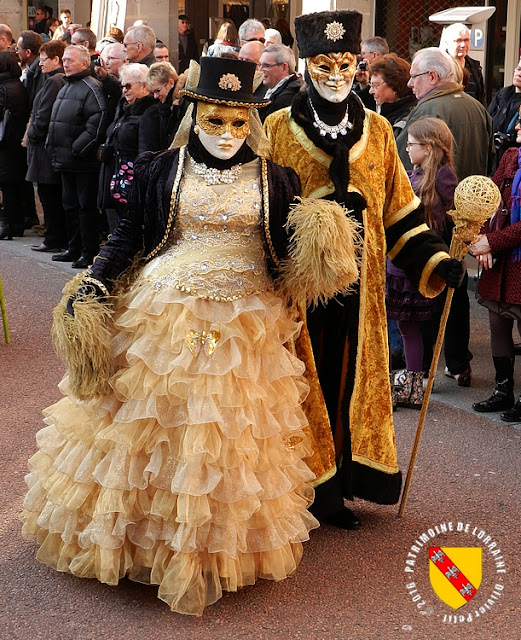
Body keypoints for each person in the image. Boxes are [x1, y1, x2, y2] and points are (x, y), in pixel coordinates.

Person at [20, 55, 361, 616]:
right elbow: (129, 232)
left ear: (251, 122)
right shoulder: (161, 167)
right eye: (214, 121)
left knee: (229, 428)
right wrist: (95, 280)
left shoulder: (278, 178)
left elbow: (290, 251)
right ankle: (150, 543)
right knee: (164, 422)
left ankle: (209, 548)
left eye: (236, 123)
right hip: (169, 313)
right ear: (194, 115)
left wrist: (326, 236)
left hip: (248, 321)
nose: (226, 134)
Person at [264, 10, 462, 529]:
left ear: (358, 65)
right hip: (297, 293)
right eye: (324, 63)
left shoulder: (376, 132)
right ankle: (297, 489)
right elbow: (259, 209)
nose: (335, 73)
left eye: (346, 63)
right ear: (306, 66)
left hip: (360, 291)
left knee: (347, 383)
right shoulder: (277, 128)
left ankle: (340, 489)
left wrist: (436, 260)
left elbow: (400, 211)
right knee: (298, 383)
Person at [396, 47, 494, 387]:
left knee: (429, 298)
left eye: (414, 77)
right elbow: (488, 161)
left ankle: (419, 371)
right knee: (455, 296)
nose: (410, 84)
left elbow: (401, 165)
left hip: (432, 221)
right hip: (461, 216)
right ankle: (457, 361)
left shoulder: (429, 112)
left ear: (433, 77)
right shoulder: (477, 107)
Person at [388, 118, 458, 408]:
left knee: (411, 325)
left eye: (412, 144)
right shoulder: (411, 173)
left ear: (428, 148)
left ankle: (416, 385)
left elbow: (455, 217)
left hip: (421, 263)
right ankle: (411, 381)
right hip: (399, 261)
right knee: (403, 324)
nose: (407, 147)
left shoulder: (443, 177)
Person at [471, 108, 521, 422]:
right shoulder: (510, 156)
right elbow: (487, 200)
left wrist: (493, 242)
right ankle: (503, 392)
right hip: (499, 262)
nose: (518, 125)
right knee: (497, 325)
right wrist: (482, 238)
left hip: (516, 260)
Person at [47, 44, 108, 269]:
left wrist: (77, 149)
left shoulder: (91, 87)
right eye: (64, 59)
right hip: (65, 160)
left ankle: (87, 250)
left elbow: (97, 122)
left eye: (70, 60)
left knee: (85, 208)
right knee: (69, 205)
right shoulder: (66, 86)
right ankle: (73, 248)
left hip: (82, 162)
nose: (65, 63)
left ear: (84, 63)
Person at [98, 63, 156, 231]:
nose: (124, 90)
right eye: (122, 85)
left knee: (130, 227)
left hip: (133, 179)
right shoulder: (125, 108)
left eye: (128, 85)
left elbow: (146, 149)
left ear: (144, 86)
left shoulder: (149, 111)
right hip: (119, 175)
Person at [26, 39, 67, 253]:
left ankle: (53, 238)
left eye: (43, 60)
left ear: (56, 59)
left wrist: (32, 133)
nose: (40, 64)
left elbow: (43, 115)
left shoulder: (53, 81)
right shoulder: (54, 79)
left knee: (49, 195)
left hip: (44, 149)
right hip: (47, 147)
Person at [0, 51, 30, 240]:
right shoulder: (18, 85)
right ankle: (17, 223)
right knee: (16, 183)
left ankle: (8, 224)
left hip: (5, 142)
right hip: (16, 141)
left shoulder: (3, 87)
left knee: (7, 185)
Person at [368, 53, 416, 135]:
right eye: (370, 85)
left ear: (394, 86)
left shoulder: (406, 118)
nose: (370, 91)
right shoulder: (388, 110)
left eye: (375, 86)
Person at [439, 22, 485, 105]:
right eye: (458, 40)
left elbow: (481, 98)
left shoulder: (475, 67)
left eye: (466, 40)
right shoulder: (439, 66)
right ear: (447, 43)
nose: (463, 45)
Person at [487, 59, 521, 172]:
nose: (519, 74)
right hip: (494, 157)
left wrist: (510, 138)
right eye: (519, 69)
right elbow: (488, 118)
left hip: (515, 161)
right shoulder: (504, 94)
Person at [142, 61, 184, 150]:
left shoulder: (182, 103)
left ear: (171, 82)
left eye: (158, 90)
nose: (155, 96)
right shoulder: (166, 106)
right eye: (153, 92)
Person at [258, 44, 302, 122]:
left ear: (284, 68)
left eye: (267, 66)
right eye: (260, 65)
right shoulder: (273, 89)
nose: (260, 70)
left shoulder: (287, 98)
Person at [353, 36, 389, 111]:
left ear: (374, 55)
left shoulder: (387, 75)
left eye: (363, 53)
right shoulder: (363, 74)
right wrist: (363, 84)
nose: (360, 57)